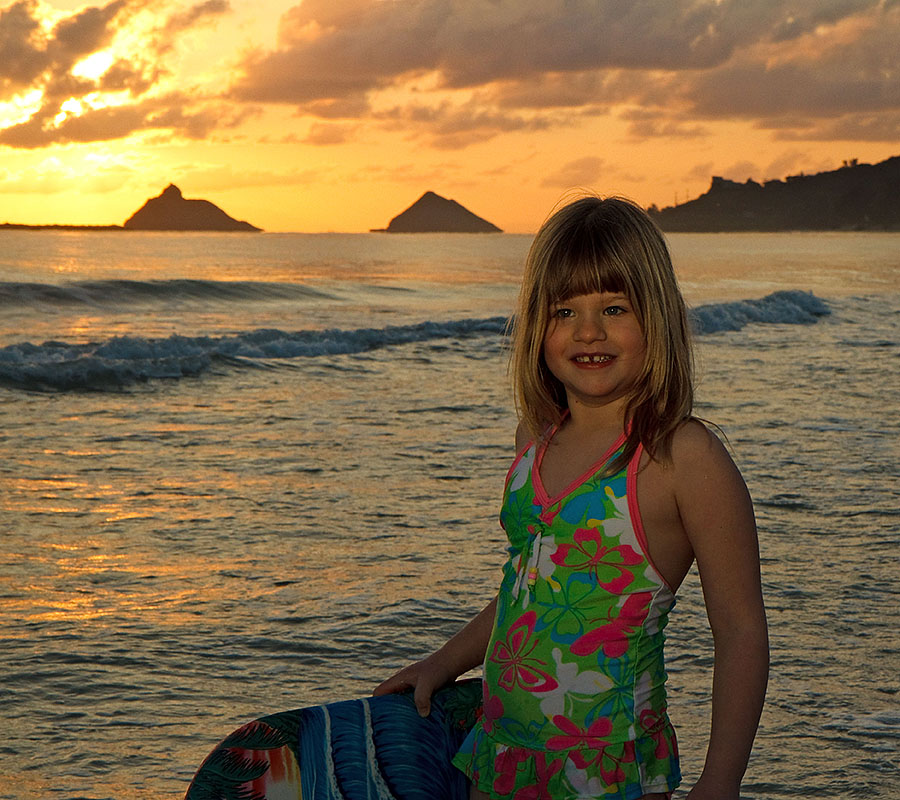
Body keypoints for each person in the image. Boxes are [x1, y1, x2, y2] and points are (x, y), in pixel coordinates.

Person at [374, 196, 768, 800]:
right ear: (537, 326)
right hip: (503, 757)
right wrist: (443, 664)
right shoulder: (534, 440)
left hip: (607, 770)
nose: (589, 332)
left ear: (657, 318)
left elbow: (740, 631)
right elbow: (527, 590)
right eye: (564, 310)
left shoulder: (679, 458)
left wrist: (719, 786)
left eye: (614, 308)